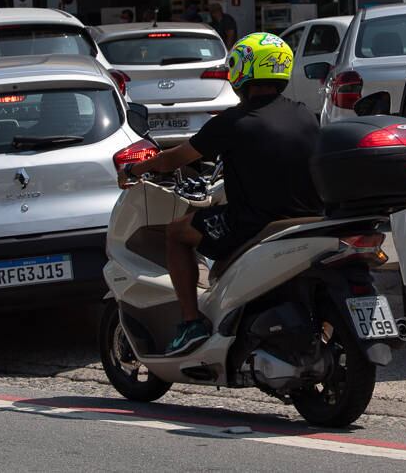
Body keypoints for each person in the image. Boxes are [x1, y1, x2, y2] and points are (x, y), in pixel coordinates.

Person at [117, 32, 322, 356]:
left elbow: (175, 159)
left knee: (177, 232)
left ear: (242, 70)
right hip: (308, 220)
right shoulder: (304, 113)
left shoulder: (234, 121)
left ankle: (191, 323)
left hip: (253, 223)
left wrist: (136, 169)